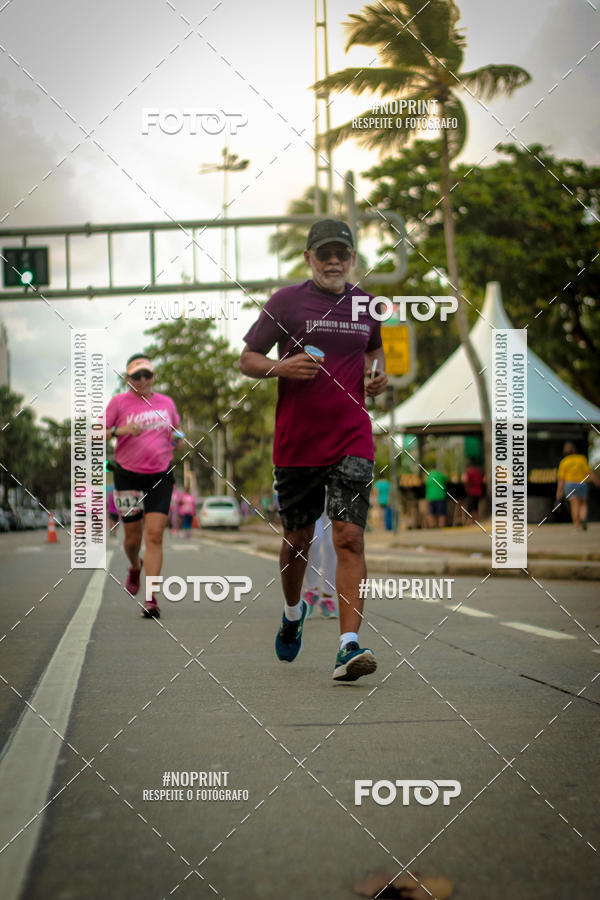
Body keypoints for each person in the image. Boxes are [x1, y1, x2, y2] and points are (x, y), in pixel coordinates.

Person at [239, 218, 387, 681]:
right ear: (309, 258)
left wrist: (376, 379)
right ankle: (291, 611)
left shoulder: (368, 307)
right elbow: (247, 359)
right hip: (298, 443)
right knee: (298, 541)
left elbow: (371, 358)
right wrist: (282, 367)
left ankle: (348, 647)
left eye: (342, 253)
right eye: (325, 253)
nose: (334, 261)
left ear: (353, 258)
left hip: (352, 436)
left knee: (349, 536)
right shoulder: (287, 301)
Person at [105, 354, 185, 618]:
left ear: (153, 376)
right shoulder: (118, 403)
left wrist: (178, 439)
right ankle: (134, 566)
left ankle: (151, 598)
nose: (142, 380)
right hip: (127, 475)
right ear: (128, 379)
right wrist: (120, 431)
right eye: (136, 376)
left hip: (160, 476)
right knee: (132, 539)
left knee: (154, 535)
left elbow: (176, 432)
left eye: (146, 375)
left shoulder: (167, 403)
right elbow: (94, 432)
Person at [302, 508, 338, 618]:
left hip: (335, 494)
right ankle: (311, 590)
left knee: (332, 545)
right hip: (310, 493)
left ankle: (327, 597)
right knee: (313, 541)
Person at [556, 441, 599, 530]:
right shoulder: (581, 459)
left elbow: (561, 479)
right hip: (582, 483)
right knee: (583, 503)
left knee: (574, 505)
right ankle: (583, 518)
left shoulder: (564, 462)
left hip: (570, 484)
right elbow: (589, 472)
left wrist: (559, 492)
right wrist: (596, 481)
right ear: (574, 450)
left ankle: (577, 524)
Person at [462, 459, 484, 524]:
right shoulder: (478, 471)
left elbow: (465, 480)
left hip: (471, 491)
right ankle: (476, 520)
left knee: (470, 507)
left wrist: (466, 487)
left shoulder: (468, 471)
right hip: (479, 491)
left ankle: (471, 520)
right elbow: (482, 480)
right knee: (475, 506)